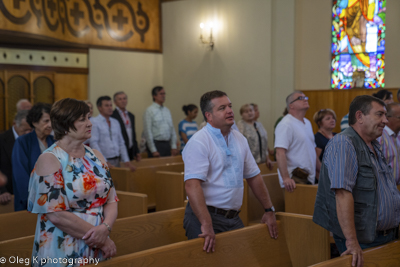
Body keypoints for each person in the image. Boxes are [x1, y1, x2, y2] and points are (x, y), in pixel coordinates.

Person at [183, 90, 278, 252]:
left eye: (230, 106)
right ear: (209, 116)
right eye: (222, 108)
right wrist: (206, 224)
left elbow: (254, 177)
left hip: (233, 218)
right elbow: (192, 186)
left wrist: (269, 210)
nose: (229, 111)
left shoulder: (239, 139)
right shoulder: (199, 141)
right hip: (205, 217)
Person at [27, 98, 118, 266]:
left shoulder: (96, 156)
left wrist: (106, 229)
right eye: (83, 119)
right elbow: (56, 214)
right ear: (65, 124)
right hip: (64, 244)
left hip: (98, 239)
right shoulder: (50, 159)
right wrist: (101, 240)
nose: (90, 123)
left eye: (89, 118)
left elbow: (111, 200)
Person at [313, 95, 400, 267]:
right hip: (364, 238)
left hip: (385, 235)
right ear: (359, 116)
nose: (385, 120)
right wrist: (351, 242)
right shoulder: (344, 143)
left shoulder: (373, 143)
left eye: (385, 115)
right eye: (380, 114)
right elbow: (342, 194)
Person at [12, 103, 55, 211]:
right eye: (46, 121)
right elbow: (20, 174)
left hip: (54, 198)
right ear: (34, 122)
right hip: (31, 200)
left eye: (52, 121)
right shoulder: (22, 142)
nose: (50, 125)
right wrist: (31, 199)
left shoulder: (54, 141)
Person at [275, 91, 320, 192]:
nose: (305, 99)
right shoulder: (285, 124)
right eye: (300, 98)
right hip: (294, 179)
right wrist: (286, 178)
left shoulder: (307, 123)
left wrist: (322, 171)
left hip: (309, 177)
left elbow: (312, 151)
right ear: (291, 105)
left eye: (306, 98)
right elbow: (280, 152)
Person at [90, 96, 135, 171]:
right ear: (99, 107)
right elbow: (94, 144)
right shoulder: (95, 122)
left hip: (117, 159)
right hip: (103, 160)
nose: (110, 108)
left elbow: (121, 142)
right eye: (106, 105)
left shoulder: (115, 122)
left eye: (111, 105)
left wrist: (126, 160)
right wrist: (103, 160)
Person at [0, 110, 32, 204]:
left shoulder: (34, 139)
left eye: (30, 130)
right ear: (15, 124)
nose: (28, 133)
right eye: (25, 130)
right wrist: (2, 191)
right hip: (8, 195)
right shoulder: (2, 140)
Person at [143, 86, 178, 157]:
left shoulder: (167, 110)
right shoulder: (149, 110)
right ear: (154, 96)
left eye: (164, 94)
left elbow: (172, 129)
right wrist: (153, 150)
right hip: (157, 144)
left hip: (167, 144)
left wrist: (173, 146)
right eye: (161, 94)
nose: (163, 96)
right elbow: (148, 131)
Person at [237, 104, 273, 169]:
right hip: (249, 163)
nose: (249, 113)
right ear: (242, 114)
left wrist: (267, 158)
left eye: (251, 110)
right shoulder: (241, 125)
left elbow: (264, 143)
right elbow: (239, 145)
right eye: (246, 111)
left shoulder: (259, 124)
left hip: (262, 162)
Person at [111, 92, 140, 161]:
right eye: (120, 99)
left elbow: (133, 134)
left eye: (124, 98)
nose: (123, 101)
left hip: (131, 149)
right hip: (119, 150)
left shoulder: (131, 115)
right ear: (115, 102)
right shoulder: (112, 116)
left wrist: (137, 151)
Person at [377, 103, 400, 185]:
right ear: (388, 118)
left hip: (395, 188)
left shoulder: (397, 135)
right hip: (383, 189)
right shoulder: (380, 136)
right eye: (399, 117)